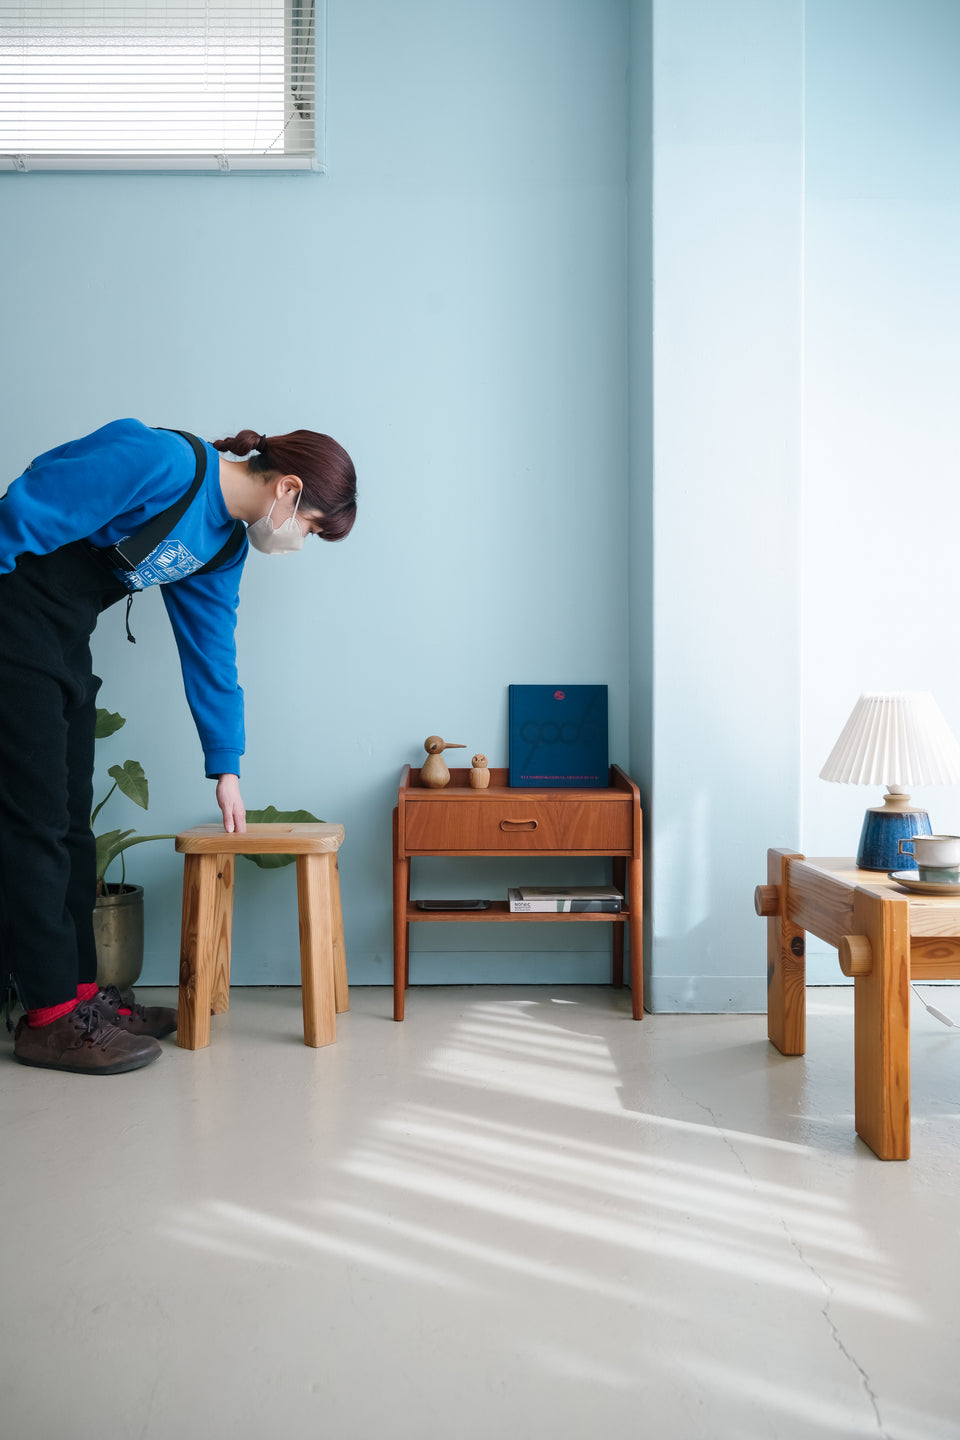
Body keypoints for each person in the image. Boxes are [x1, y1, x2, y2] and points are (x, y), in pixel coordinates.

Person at [0, 418, 357, 1075]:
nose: (300, 542)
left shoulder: (222, 547)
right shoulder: (162, 461)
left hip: (63, 638)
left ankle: (81, 1000)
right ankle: (48, 1019)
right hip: (12, 614)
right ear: (289, 488)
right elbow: (31, 499)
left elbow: (212, 656)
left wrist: (227, 769)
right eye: (310, 527)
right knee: (36, 825)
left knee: (73, 827)